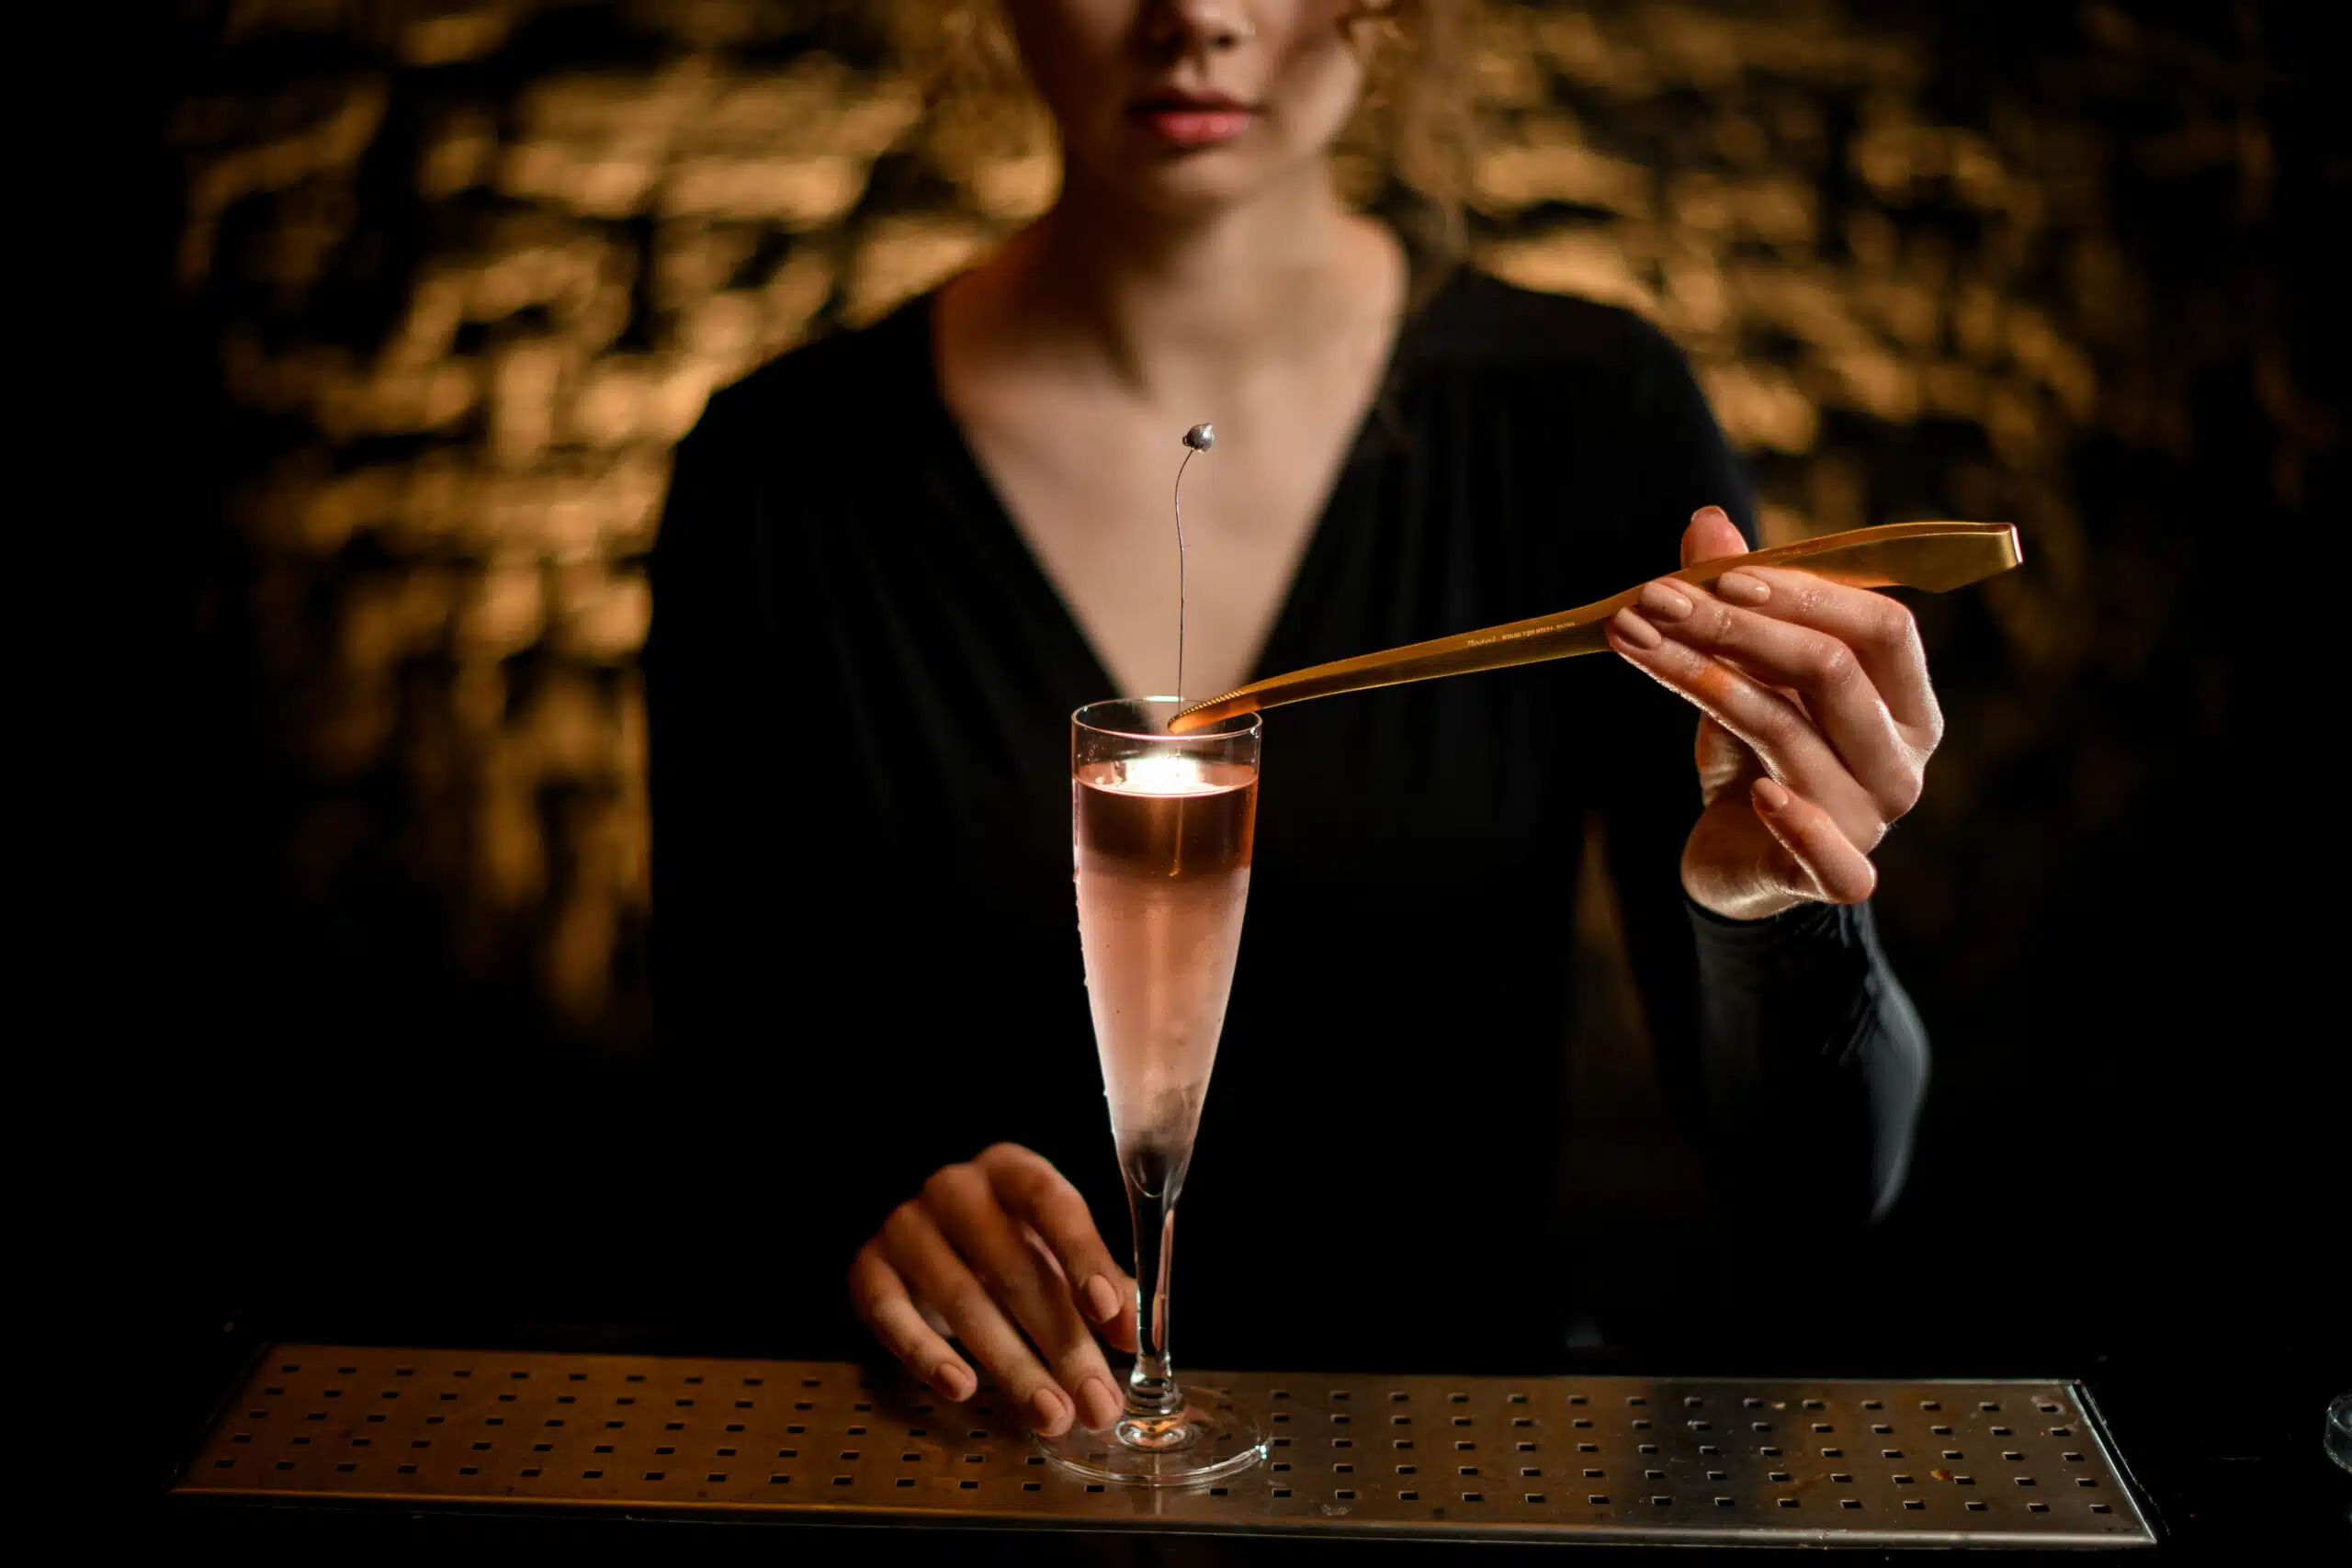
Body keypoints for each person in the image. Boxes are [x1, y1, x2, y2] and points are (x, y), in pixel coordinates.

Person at [646, 0, 1932, 1442]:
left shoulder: (1590, 420)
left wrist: (1778, 907)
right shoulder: (776, 482)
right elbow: (715, 1131)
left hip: (1449, 1485)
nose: (1196, 14)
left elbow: (1824, 1190)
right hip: (962, 1477)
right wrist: (872, 1233)